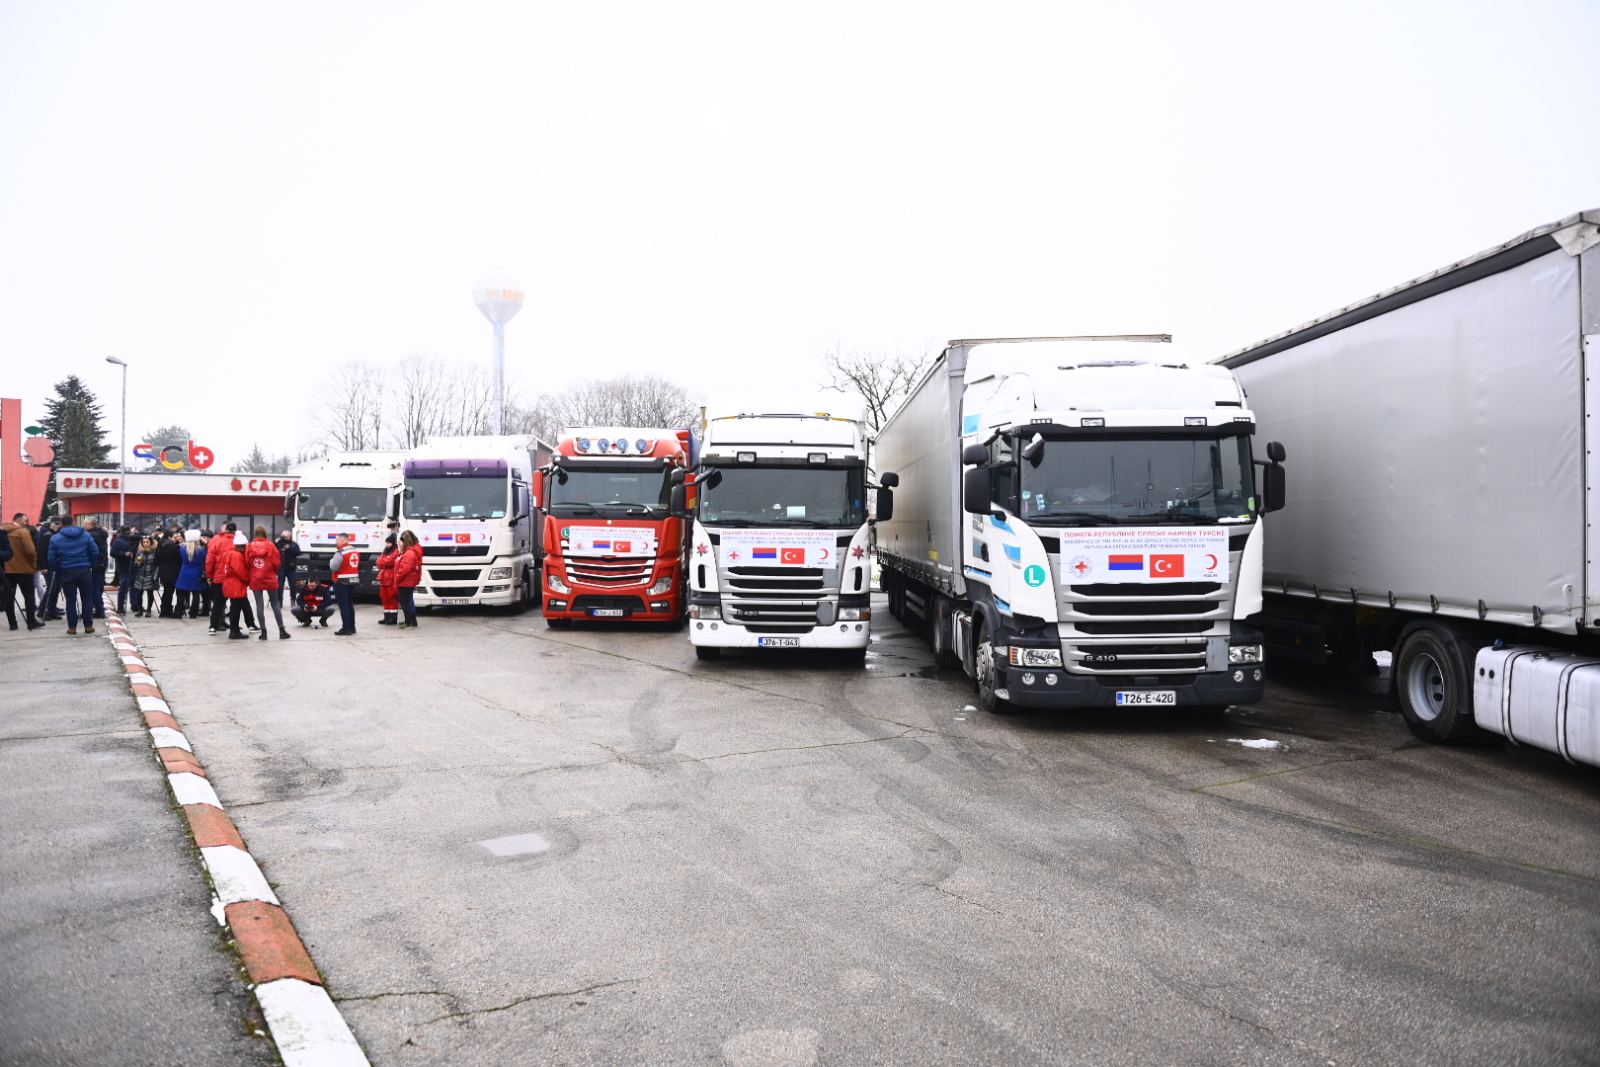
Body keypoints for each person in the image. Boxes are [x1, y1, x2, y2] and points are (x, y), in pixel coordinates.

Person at [45, 519, 99, 635]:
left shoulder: (55, 538)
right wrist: (91, 565)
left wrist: (58, 568)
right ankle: (88, 626)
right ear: (74, 522)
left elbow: (51, 558)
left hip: (66, 571)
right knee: (87, 599)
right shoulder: (85, 535)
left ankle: (72, 628)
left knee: (70, 600)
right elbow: (95, 551)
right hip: (84, 570)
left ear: (61, 524)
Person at [245, 525, 289, 640]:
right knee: (275, 604)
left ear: (255, 533)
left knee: (259, 605)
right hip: (269, 577)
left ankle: (263, 632)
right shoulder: (271, 545)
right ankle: (282, 630)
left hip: (255, 578)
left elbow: (247, 563)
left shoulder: (249, 546)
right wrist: (273, 571)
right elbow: (277, 562)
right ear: (265, 533)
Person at [3, 513, 44, 630]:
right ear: (20, 520)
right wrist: (34, 564)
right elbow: (31, 551)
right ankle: (31, 622)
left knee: (9, 597)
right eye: (25, 521)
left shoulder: (3, 531)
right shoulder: (23, 532)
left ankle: (12, 624)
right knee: (29, 596)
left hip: (7, 569)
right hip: (24, 569)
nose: (26, 524)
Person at [205, 524, 236, 633]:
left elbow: (209, 560)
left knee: (218, 602)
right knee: (235, 602)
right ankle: (232, 626)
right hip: (233, 577)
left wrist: (209, 576)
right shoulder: (238, 541)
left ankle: (214, 625)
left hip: (218, 576)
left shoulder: (216, 540)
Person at [328, 532, 360, 635]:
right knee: (349, 604)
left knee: (343, 606)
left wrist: (331, 561)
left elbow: (334, 567)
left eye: (337, 540)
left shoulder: (340, 552)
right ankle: (352, 627)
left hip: (342, 581)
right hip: (353, 580)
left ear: (342, 540)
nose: (336, 542)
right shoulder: (354, 550)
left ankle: (346, 628)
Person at [221, 531, 251, 640]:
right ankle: (234, 632)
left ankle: (235, 630)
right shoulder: (237, 555)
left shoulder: (229, 553)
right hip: (236, 584)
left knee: (235, 607)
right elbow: (241, 572)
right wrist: (248, 580)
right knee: (236, 609)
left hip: (229, 583)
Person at [394, 530, 424, 628]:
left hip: (405, 582)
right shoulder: (408, 552)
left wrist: (397, 578)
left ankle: (409, 622)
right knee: (407, 601)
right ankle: (412, 621)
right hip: (408, 581)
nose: (398, 543)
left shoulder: (408, 553)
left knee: (405, 602)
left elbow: (405, 569)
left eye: (400, 541)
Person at [176, 531, 208, 618]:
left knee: (181, 593)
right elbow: (207, 559)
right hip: (197, 572)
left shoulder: (182, 548)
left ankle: (178, 612)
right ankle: (193, 613)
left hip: (184, 572)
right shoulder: (201, 550)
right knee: (196, 594)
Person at [83, 518, 109, 620]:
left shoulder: (92, 535)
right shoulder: (99, 533)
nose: (83, 526)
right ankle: (99, 608)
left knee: (95, 588)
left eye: (85, 524)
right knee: (98, 587)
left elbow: (92, 551)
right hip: (101, 564)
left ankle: (99, 610)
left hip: (96, 565)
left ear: (91, 525)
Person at [38, 517, 63, 620]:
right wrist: (43, 566)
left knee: (55, 589)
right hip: (48, 567)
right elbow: (42, 552)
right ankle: (42, 611)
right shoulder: (48, 536)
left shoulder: (54, 535)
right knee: (51, 589)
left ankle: (52, 611)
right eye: (59, 524)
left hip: (54, 566)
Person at [155, 529, 183, 618]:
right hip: (173, 572)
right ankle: (167, 610)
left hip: (163, 572)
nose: (176, 539)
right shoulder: (175, 547)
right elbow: (179, 560)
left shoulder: (160, 546)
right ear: (169, 537)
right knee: (170, 592)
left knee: (166, 591)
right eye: (174, 537)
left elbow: (157, 560)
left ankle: (163, 611)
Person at [110, 526, 136, 615]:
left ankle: (134, 605)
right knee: (123, 587)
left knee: (134, 587)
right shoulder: (119, 541)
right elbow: (112, 553)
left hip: (133, 566)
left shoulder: (131, 539)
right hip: (124, 567)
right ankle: (120, 607)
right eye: (128, 532)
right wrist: (124, 554)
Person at [132, 536, 161, 616]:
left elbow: (157, 565)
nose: (145, 544)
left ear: (151, 543)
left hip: (150, 575)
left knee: (150, 593)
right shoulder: (139, 551)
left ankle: (149, 610)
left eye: (147, 542)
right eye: (144, 542)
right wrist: (138, 563)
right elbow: (136, 563)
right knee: (139, 593)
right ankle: (140, 610)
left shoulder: (155, 552)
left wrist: (155, 577)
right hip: (140, 575)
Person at [375, 533, 400, 625]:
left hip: (391, 577)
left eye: (389, 543)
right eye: (386, 543)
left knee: (392, 597)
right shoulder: (386, 551)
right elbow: (378, 562)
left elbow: (388, 562)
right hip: (384, 577)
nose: (387, 545)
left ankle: (393, 618)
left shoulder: (396, 551)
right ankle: (387, 617)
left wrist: (384, 561)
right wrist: (384, 561)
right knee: (384, 597)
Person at [275, 530, 301, 601]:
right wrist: (276, 543)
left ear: (290, 537)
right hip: (281, 568)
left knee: (293, 585)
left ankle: (293, 599)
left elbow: (298, 552)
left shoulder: (294, 544)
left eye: (286, 537)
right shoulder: (279, 543)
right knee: (280, 586)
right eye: (283, 537)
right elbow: (272, 550)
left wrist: (289, 548)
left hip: (291, 568)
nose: (284, 538)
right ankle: (279, 601)